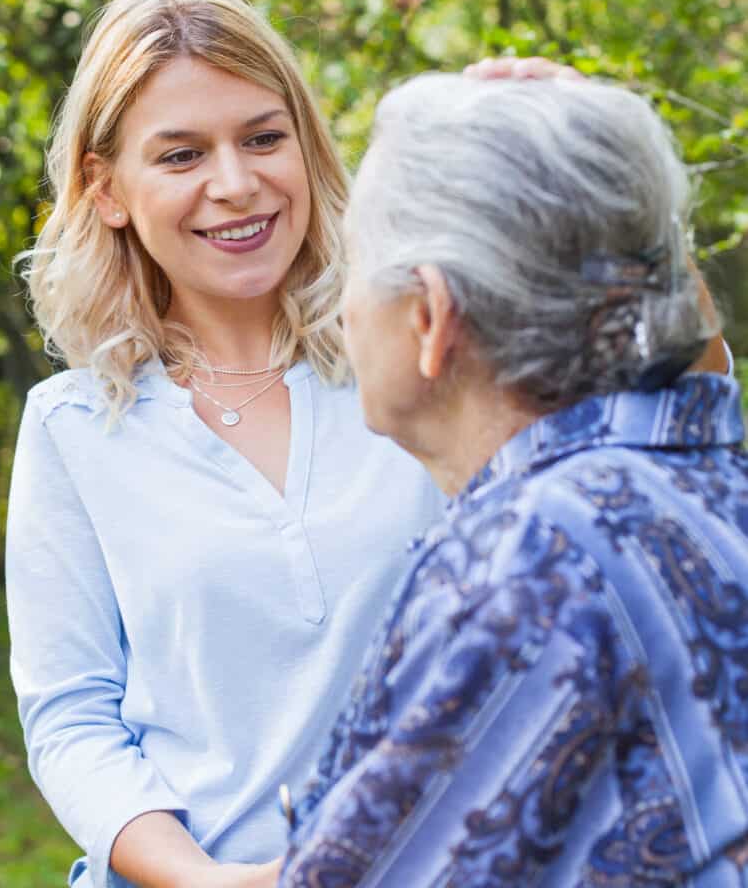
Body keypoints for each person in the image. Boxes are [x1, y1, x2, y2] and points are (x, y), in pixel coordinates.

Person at [5, 0, 447, 888]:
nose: (236, 184)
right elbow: (72, 721)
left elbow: (668, 419)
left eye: (262, 137)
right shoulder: (74, 427)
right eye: (179, 155)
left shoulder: (424, 363)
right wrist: (211, 882)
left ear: (306, 145)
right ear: (108, 189)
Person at [278, 74, 748, 886]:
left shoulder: (533, 560)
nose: (340, 311)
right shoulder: (700, 479)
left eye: (354, 265)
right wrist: (604, 173)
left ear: (428, 316)